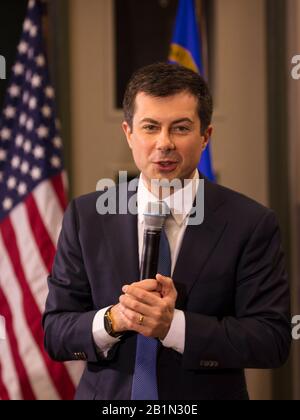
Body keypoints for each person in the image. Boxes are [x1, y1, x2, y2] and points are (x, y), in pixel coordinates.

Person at [43, 62, 291, 400]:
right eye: (150, 127)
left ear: (206, 136)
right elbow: (56, 333)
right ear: (129, 133)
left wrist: (173, 326)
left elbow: (271, 340)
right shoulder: (86, 216)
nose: (164, 143)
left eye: (181, 128)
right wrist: (115, 319)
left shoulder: (251, 223)